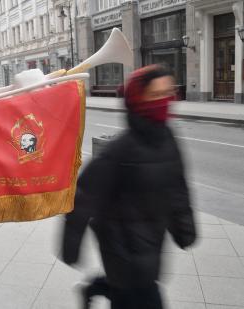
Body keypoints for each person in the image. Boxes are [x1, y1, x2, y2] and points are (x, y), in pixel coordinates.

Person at [60, 65, 197, 309]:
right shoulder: (120, 149)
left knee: (135, 289)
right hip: (119, 245)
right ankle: (102, 286)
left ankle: (97, 287)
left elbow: (176, 186)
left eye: (167, 94)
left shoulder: (167, 138)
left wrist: (185, 228)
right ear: (138, 99)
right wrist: (71, 246)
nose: (164, 101)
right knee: (142, 295)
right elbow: (82, 196)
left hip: (152, 238)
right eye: (155, 95)